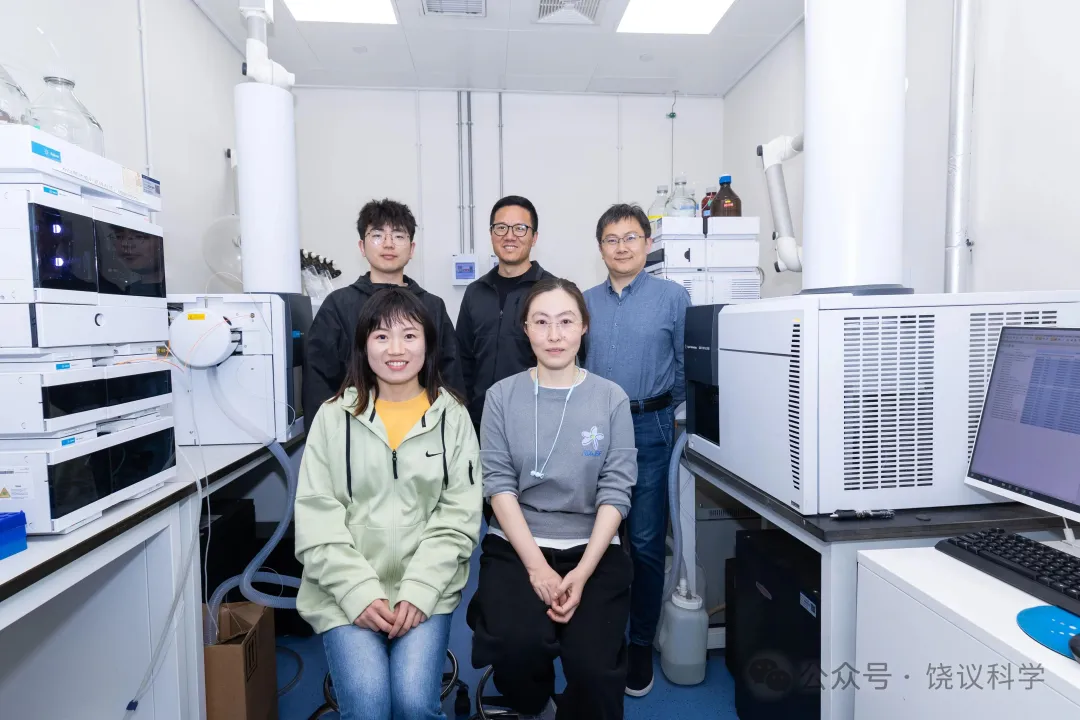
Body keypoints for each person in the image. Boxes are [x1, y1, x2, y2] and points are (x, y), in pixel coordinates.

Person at [294, 287, 482, 720]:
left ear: (428, 344)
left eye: (409, 335)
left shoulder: (452, 416)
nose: (396, 349)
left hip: (426, 587)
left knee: (415, 704)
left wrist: (419, 591)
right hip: (343, 590)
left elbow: (459, 516)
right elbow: (317, 517)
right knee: (368, 707)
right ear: (363, 346)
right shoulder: (332, 417)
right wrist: (357, 593)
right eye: (381, 336)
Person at [467, 277, 637, 720]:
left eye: (566, 321)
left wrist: (583, 571)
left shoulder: (610, 398)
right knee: (514, 646)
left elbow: (616, 491)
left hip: (593, 545)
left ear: (584, 326)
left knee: (595, 669)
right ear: (526, 329)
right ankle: (537, 706)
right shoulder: (501, 397)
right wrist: (537, 567)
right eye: (541, 322)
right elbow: (498, 485)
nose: (554, 334)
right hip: (518, 541)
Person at [583, 203, 691, 697]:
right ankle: (603, 638)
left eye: (631, 238)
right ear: (600, 247)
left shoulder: (673, 298)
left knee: (646, 543)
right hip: (595, 429)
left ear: (648, 244)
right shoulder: (585, 302)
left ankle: (641, 643)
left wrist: (665, 411)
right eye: (612, 239)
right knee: (597, 538)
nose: (621, 247)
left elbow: (686, 367)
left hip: (651, 427)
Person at [303, 198, 464, 434]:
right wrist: (325, 437)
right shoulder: (338, 305)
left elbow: (449, 377)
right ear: (362, 246)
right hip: (353, 431)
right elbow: (319, 381)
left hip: (422, 431)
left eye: (398, 236)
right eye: (377, 235)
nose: (388, 244)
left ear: (412, 249)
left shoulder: (432, 306)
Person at [456, 195, 554, 431]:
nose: (509, 236)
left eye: (520, 228)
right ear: (491, 234)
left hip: (536, 422)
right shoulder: (475, 292)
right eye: (501, 228)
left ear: (534, 237)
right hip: (480, 422)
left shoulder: (551, 291)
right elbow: (462, 360)